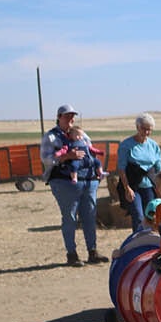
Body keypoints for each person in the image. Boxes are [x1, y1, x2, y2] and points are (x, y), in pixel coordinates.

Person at [40, 104, 103, 266]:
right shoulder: (51, 137)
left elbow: (90, 151)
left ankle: (93, 251)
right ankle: (72, 254)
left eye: (72, 116)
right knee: (70, 218)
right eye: (67, 116)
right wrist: (67, 156)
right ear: (59, 117)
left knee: (89, 216)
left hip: (88, 181)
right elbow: (46, 158)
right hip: (64, 182)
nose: (71, 119)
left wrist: (97, 171)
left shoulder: (81, 134)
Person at [116, 113, 161, 232]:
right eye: (144, 129)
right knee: (138, 216)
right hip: (132, 186)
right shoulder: (126, 145)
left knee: (152, 216)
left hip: (149, 187)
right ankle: (138, 243)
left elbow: (159, 168)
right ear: (137, 127)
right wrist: (127, 189)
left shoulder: (154, 146)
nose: (146, 132)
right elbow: (121, 169)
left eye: (149, 130)